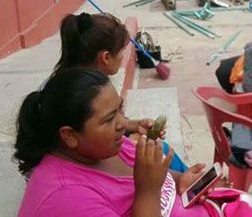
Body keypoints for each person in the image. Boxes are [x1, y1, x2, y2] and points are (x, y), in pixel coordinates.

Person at [13, 69, 225, 217]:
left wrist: (181, 179)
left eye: (120, 111)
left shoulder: (109, 148)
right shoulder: (66, 200)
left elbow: (157, 178)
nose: (124, 124)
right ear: (69, 135)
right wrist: (148, 191)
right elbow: (147, 188)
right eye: (109, 119)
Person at [53, 12, 188, 173]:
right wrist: (130, 143)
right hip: (94, 167)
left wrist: (133, 125)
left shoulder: (82, 81)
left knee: (163, 150)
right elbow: (90, 149)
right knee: (161, 154)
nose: (124, 56)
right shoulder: (78, 95)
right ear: (106, 57)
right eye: (122, 51)